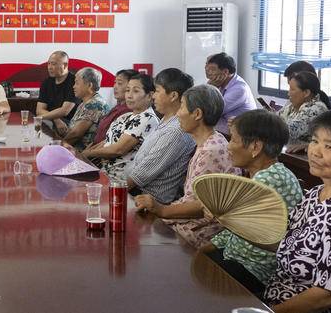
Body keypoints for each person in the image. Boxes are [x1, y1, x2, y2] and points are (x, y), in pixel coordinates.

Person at [198, 110, 302, 297]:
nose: (228, 147)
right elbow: (234, 228)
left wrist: (220, 217)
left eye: (233, 140)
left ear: (255, 147)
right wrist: (206, 248)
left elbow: (232, 221)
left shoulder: (270, 179)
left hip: (254, 270)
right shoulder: (265, 174)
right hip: (236, 259)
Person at [133, 84, 242, 248]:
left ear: (197, 114)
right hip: (189, 220)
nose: (178, 113)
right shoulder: (211, 141)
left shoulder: (211, 151)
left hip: (201, 230)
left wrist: (161, 209)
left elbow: (200, 207)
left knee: (141, 237)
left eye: (182, 107)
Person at [261, 108, 331, 313]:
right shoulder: (314, 194)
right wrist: (234, 223)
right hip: (274, 296)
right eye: (314, 141)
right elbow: (285, 243)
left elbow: (327, 295)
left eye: (329, 146)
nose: (315, 151)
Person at [124, 68, 196, 204]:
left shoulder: (175, 131)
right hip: (137, 192)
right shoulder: (166, 120)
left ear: (173, 96)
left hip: (148, 200)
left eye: (157, 91)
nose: (153, 96)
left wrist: (114, 191)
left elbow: (141, 175)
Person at [80, 73, 159, 182]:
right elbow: (107, 141)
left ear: (150, 95)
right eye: (127, 90)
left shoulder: (147, 118)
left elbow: (118, 150)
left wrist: (87, 154)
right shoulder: (126, 116)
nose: (129, 95)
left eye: (135, 91)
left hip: (119, 180)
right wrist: (86, 154)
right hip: (104, 171)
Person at [57, 67, 111, 151]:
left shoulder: (95, 104)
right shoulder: (84, 103)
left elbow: (76, 134)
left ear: (89, 85)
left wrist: (57, 148)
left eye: (77, 83)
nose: (73, 87)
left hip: (83, 153)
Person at [205, 52, 256, 134]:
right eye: (207, 69)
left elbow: (211, 112)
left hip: (240, 133)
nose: (208, 73)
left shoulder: (239, 89)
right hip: (224, 128)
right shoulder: (220, 83)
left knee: (200, 119)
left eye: (212, 70)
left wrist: (210, 88)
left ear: (225, 72)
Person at [278, 71, 330, 146]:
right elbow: (276, 119)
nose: (288, 93)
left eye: (292, 89)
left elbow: (287, 132)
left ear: (306, 93)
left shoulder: (316, 109)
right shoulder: (293, 106)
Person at [92, 69, 137, 145]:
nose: (115, 87)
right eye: (115, 83)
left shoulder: (128, 111)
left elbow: (110, 141)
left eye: (120, 83)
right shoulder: (117, 106)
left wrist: (90, 151)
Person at [35, 51, 78, 125]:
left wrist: (52, 118)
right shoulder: (46, 82)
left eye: (53, 64)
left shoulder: (75, 82)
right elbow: (39, 110)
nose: (50, 67)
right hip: (51, 120)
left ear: (65, 65)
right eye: (48, 64)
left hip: (70, 123)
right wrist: (55, 119)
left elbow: (64, 111)